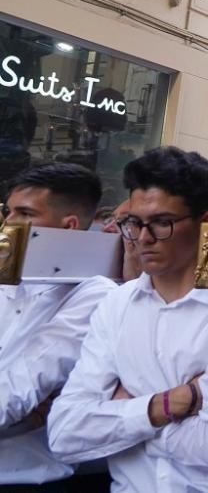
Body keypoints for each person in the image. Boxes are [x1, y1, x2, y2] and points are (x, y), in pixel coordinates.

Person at [48, 146, 208, 491]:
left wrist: (124, 409)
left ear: (207, 223)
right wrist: (166, 404)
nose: (143, 238)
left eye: (162, 222)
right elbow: (64, 434)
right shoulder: (116, 306)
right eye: (133, 222)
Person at [0, 163, 115, 488]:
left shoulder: (92, 293)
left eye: (24, 213)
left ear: (69, 226)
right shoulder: (9, 277)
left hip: (25, 478)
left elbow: (15, 394)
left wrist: (26, 408)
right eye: (7, 212)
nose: (8, 223)